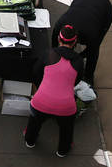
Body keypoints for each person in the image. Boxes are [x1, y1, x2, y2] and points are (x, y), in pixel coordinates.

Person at [23, 26, 88, 157]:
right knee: (67, 128)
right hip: (66, 107)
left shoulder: (48, 54)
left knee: (34, 121)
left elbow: (36, 72)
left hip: (41, 102)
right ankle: (63, 150)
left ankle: (30, 140)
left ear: (59, 38)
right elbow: (76, 80)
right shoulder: (79, 61)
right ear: (75, 42)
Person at [52, 0, 112, 88]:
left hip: (104, 7)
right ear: (59, 37)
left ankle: (89, 78)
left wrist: (77, 57)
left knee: (93, 51)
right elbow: (54, 48)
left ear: (75, 41)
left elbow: (91, 51)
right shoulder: (58, 25)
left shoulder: (91, 34)